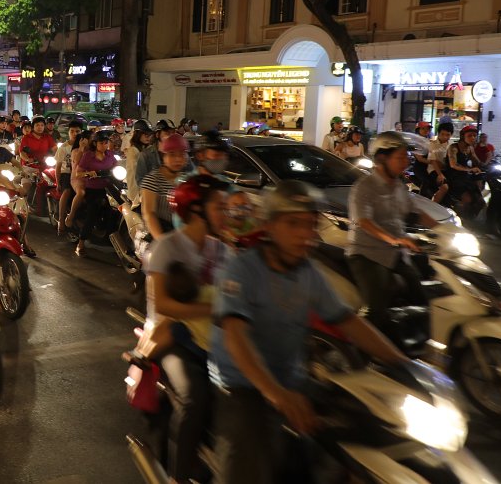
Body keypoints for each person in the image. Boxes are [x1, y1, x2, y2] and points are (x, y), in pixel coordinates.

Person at [211, 181, 407, 484]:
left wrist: (403, 363)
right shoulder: (241, 271)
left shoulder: (309, 273)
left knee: (358, 427)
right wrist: (275, 393)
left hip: (293, 379)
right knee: (249, 457)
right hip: (242, 384)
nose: (304, 234)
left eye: (310, 225)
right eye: (293, 223)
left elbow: (348, 321)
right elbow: (236, 337)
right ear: (271, 225)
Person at [145, 175, 233, 484]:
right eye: (220, 208)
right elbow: (166, 306)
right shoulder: (166, 248)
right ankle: (177, 476)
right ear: (196, 210)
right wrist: (214, 309)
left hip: (220, 341)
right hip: (177, 340)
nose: (226, 215)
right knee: (195, 397)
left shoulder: (223, 250)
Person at [347, 131, 438, 344]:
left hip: (395, 254)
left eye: (407, 157)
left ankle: (415, 343)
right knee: (377, 308)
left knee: (421, 296)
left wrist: (444, 230)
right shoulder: (364, 187)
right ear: (381, 158)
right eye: (400, 157)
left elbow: (415, 212)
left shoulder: (398, 187)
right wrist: (395, 240)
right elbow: (364, 222)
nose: (405, 162)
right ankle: (361, 350)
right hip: (367, 255)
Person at [68, 129, 118, 257]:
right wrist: (88, 173)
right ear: (95, 143)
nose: (104, 145)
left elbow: (117, 167)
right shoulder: (88, 156)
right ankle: (81, 244)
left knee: (118, 209)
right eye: (101, 143)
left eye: (106, 143)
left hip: (108, 188)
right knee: (92, 214)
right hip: (93, 189)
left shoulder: (110, 155)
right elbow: (78, 173)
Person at [139, 133, 189, 243]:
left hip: (182, 237)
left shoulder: (187, 180)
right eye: (172, 154)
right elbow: (149, 213)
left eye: (181, 155)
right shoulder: (152, 180)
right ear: (163, 156)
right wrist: (163, 242)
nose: (177, 159)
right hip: (160, 236)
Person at [445, 125, 485, 219]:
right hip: (453, 177)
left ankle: (471, 220)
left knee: (481, 202)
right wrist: (470, 169)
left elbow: (477, 161)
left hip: (465, 177)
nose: (473, 138)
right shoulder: (453, 147)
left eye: (475, 136)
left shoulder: (470, 148)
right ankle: (460, 220)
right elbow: (453, 164)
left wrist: (489, 164)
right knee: (467, 199)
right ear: (463, 136)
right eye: (470, 135)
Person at [55, 119, 85, 234]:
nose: (74, 133)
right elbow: (58, 167)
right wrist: (58, 183)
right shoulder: (63, 147)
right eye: (72, 131)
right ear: (68, 132)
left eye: (77, 131)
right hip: (66, 173)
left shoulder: (84, 146)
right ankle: (61, 220)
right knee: (67, 191)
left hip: (80, 173)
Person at [125, 120, 156, 206]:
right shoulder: (133, 151)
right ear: (137, 134)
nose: (148, 137)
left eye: (149, 135)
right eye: (145, 134)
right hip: (137, 194)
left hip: (147, 191)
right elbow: (136, 174)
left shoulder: (147, 149)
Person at [428, 122, 454, 204]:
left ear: (451, 135)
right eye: (442, 134)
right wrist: (439, 174)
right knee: (444, 187)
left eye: (448, 135)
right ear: (438, 133)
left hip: (447, 170)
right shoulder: (432, 144)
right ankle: (433, 207)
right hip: (434, 170)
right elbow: (432, 160)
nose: (445, 137)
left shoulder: (452, 145)